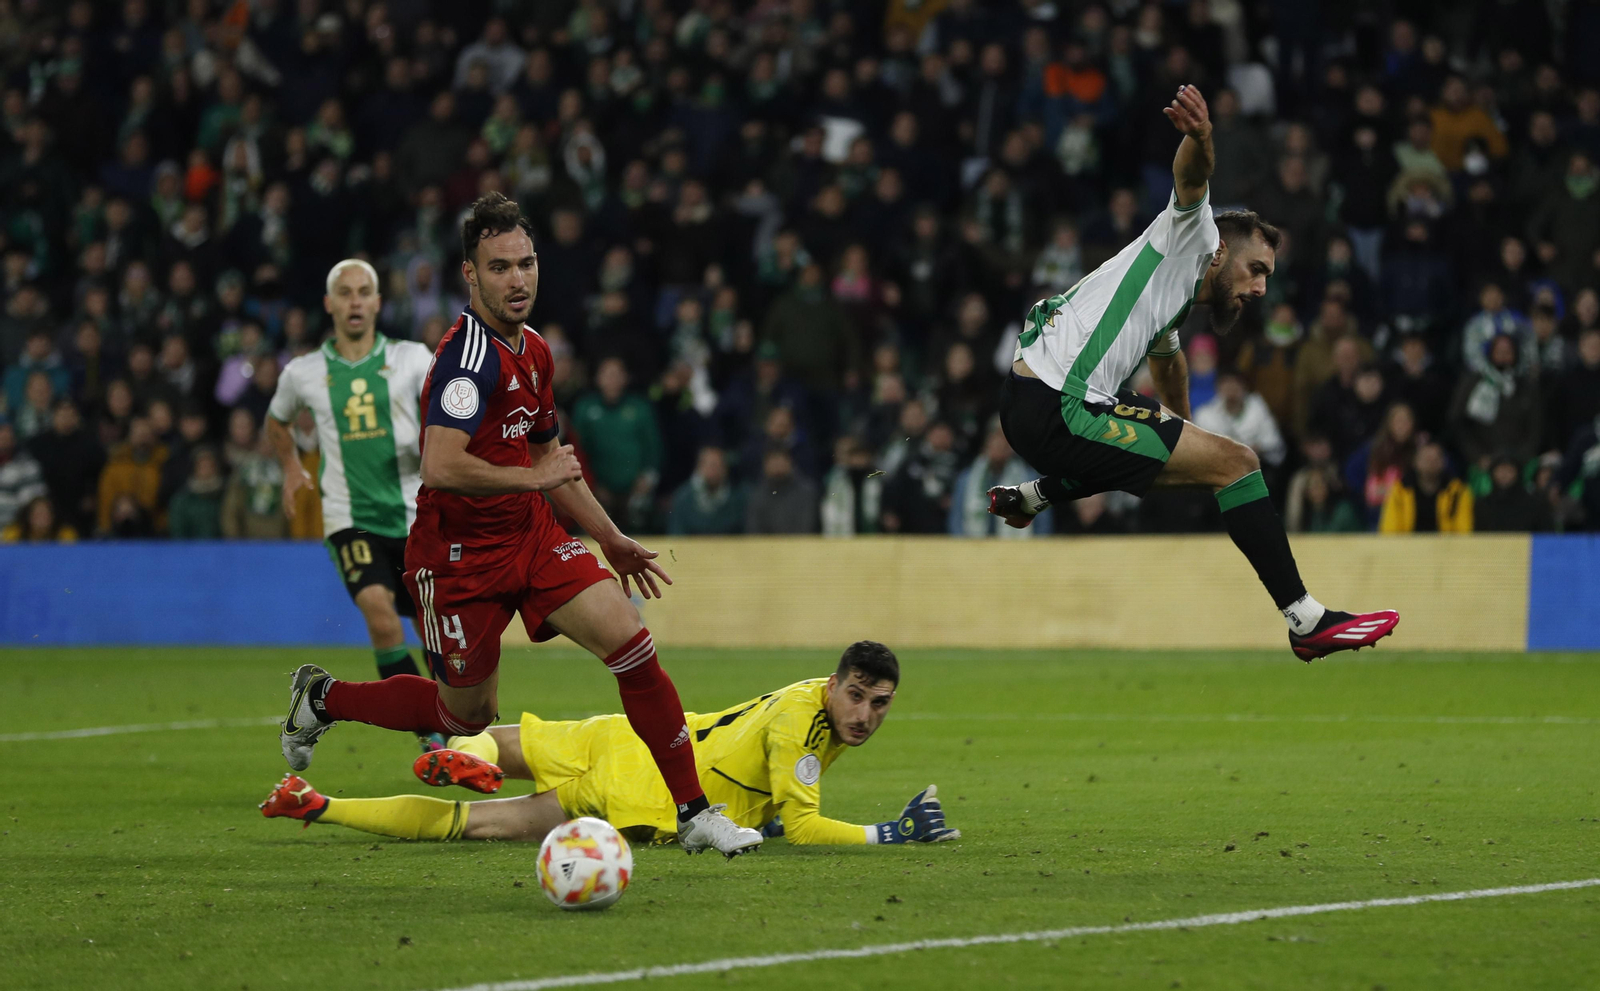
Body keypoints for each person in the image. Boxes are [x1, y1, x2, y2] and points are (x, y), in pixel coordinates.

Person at [278, 193, 761, 858]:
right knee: (462, 713)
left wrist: (610, 536)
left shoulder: (534, 349)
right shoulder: (463, 363)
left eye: (526, 263)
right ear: (470, 275)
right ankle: (324, 696)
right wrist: (533, 480)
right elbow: (442, 464)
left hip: (531, 536)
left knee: (630, 641)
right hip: (457, 557)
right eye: (500, 267)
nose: (519, 279)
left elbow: (545, 457)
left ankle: (695, 812)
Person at [988, 85, 1397, 661]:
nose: (1259, 287)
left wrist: (1181, 432)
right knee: (1238, 464)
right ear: (1222, 250)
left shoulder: (1169, 294)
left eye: (1268, 279)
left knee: (1178, 444)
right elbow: (1192, 180)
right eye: (1256, 269)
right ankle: (1306, 620)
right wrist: (1202, 138)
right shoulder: (1193, 234)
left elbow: (1169, 362)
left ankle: (1031, 497)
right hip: (1058, 400)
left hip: (1037, 402)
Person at [261, 641, 958, 848]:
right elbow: (802, 825)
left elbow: (776, 792)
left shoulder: (813, 693)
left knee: (495, 738)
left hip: (638, 731)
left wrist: (765, 811)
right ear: (837, 684)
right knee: (475, 824)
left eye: (878, 704)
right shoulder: (804, 729)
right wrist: (887, 833)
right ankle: (317, 804)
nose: (864, 714)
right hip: (648, 790)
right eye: (858, 696)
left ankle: (458, 753)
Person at [265, 260, 434, 703]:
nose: (354, 300)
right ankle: (428, 733)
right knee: (381, 618)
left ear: (378, 303)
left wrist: (433, 446)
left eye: (363, 292)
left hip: (417, 517)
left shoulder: (413, 358)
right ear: (329, 304)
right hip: (349, 518)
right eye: (345, 292)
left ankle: (453, 720)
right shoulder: (303, 372)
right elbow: (277, 420)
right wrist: (290, 467)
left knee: (433, 626)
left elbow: (449, 416)